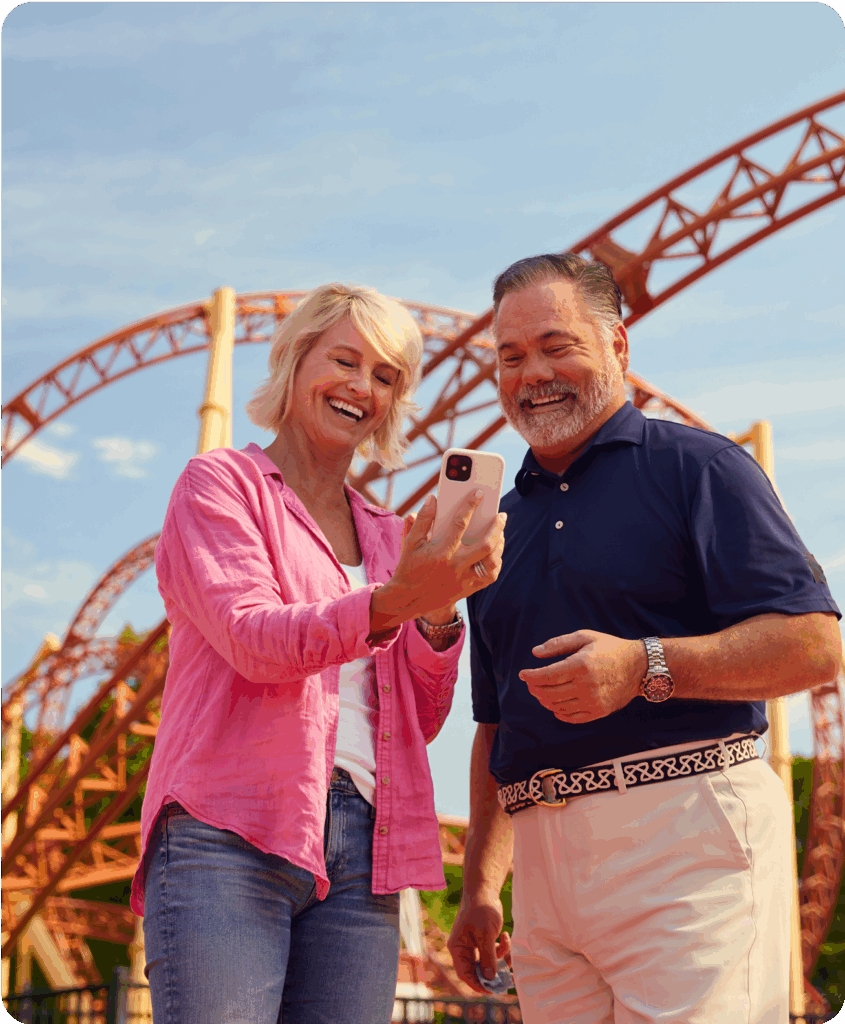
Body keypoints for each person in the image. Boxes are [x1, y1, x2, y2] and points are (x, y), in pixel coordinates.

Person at [447, 253, 842, 1024]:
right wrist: (479, 888)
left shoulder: (701, 469)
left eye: (557, 346)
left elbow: (814, 643)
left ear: (617, 348)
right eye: (510, 355)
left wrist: (644, 666)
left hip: (684, 838)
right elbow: (495, 724)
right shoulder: (493, 526)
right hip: (542, 871)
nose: (533, 374)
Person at [130, 282, 506, 1024]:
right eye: (344, 360)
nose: (361, 388)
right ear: (297, 360)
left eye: (385, 377)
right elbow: (253, 638)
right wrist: (393, 600)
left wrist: (435, 612)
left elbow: (418, 720)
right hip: (227, 830)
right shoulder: (221, 486)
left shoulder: (391, 536)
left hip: (367, 849)